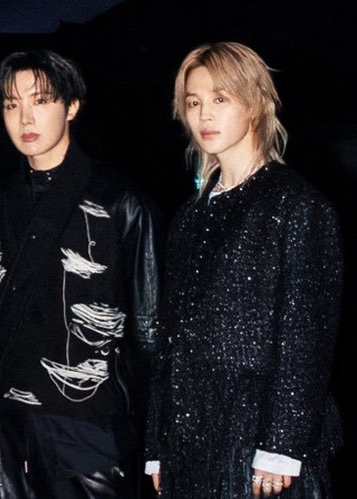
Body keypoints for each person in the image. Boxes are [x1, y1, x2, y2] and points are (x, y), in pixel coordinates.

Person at [146, 41, 343, 498]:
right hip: (191, 441)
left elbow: (306, 337)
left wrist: (281, 446)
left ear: (255, 103)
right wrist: (158, 445)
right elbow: (168, 339)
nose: (204, 115)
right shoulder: (189, 216)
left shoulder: (296, 206)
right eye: (193, 102)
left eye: (220, 98)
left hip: (259, 442)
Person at [0, 49, 159, 498]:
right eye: (11, 105)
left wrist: (157, 439)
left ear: (71, 106)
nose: (25, 118)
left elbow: (150, 331)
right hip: (4, 421)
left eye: (41, 101)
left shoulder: (120, 203)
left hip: (88, 422)